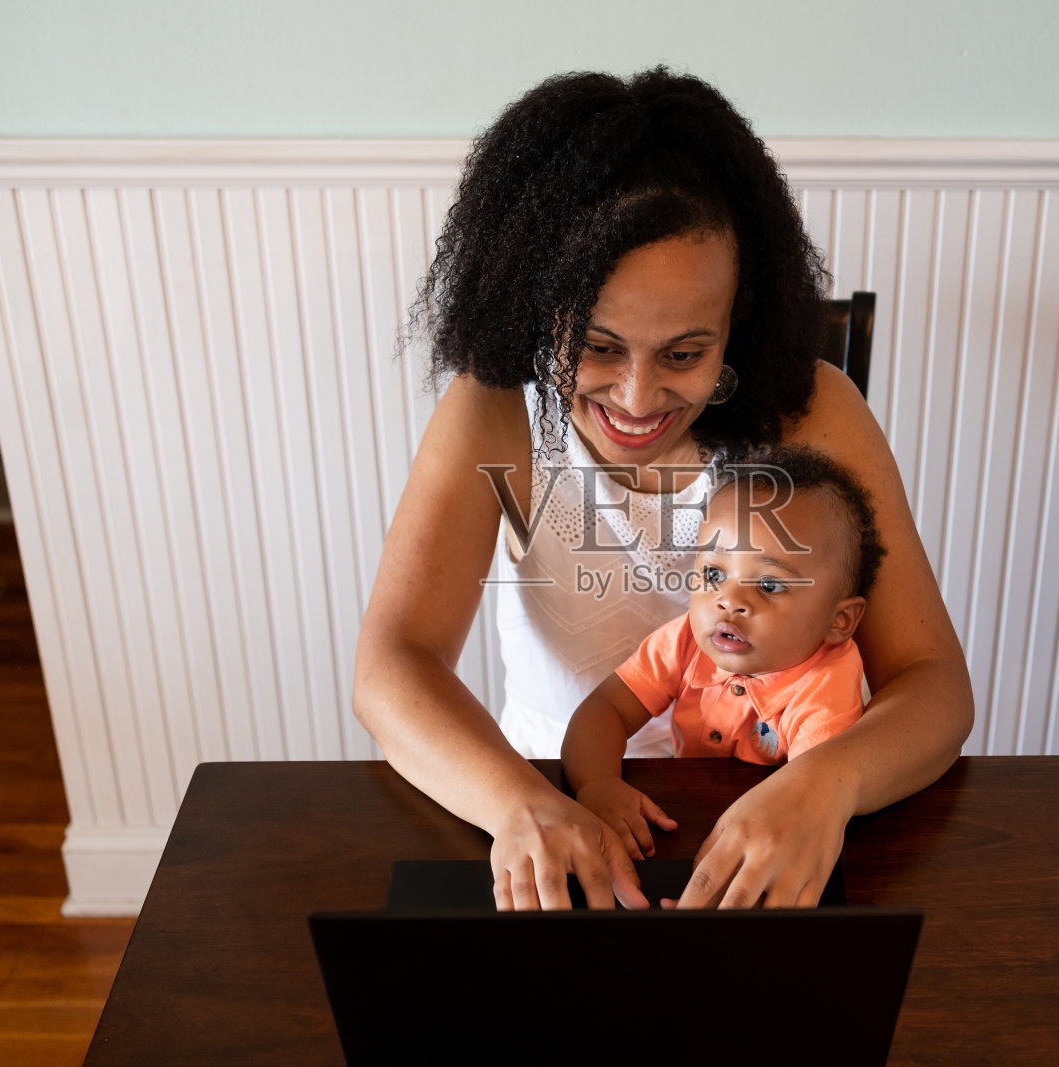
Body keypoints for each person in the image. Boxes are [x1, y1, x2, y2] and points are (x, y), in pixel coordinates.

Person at [352, 67, 973, 912]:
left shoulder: (813, 410)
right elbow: (392, 667)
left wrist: (829, 783)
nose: (638, 399)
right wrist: (520, 802)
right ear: (537, 309)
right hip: (548, 813)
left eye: (683, 354)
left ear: (737, 321)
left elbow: (933, 681)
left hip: (767, 815)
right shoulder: (495, 410)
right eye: (600, 348)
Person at [562, 447, 884, 865]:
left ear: (839, 620)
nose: (728, 601)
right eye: (714, 574)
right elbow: (604, 708)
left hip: (774, 836)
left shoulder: (828, 679)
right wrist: (598, 783)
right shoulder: (688, 641)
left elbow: (807, 797)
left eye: (769, 585)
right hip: (685, 817)